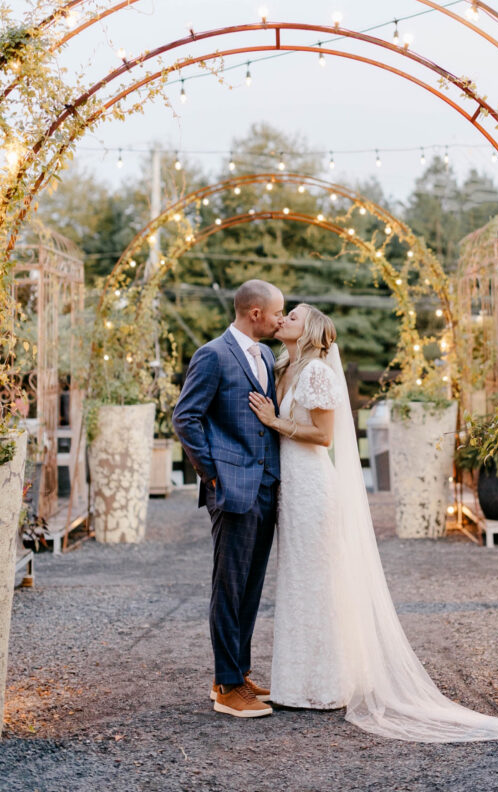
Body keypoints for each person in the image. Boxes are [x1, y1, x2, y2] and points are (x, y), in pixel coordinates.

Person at [249, 303, 498, 742]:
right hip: (291, 488)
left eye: (293, 316)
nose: (284, 319)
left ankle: (324, 686)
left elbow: (325, 435)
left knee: (318, 580)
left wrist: (274, 420)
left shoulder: (316, 373)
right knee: (299, 581)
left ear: (311, 331)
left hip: (313, 486)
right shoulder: (286, 367)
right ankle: (298, 683)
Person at [172, 278, 284, 719]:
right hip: (230, 488)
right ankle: (226, 686)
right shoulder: (213, 355)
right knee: (229, 586)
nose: (281, 318)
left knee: (252, 587)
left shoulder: (268, 356)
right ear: (255, 312)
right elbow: (186, 417)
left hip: (265, 486)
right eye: (277, 311)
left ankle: (239, 671)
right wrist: (212, 474)